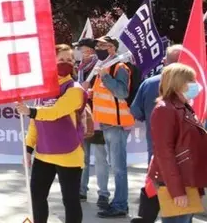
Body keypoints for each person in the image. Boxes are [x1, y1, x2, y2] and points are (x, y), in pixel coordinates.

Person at [16, 44, 87, 223]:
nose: (66, 63)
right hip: (44, 153)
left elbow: (55, 112)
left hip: (69, 154)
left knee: (70, 201)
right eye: (61, 60)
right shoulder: (44, 88)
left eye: (70, 60)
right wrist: (28, 148)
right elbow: (35, 122)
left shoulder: (75, 89)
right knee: (37, 197)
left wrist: (30, 111)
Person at [146, 63, 207, 223]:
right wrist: (177, 190)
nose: (196, 84)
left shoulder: (182, 107)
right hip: (177, 181)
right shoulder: (165, 109)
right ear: (179, 83)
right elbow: (164, 152)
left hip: (187, 178)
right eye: (191, 80)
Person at [130, 44, 183, 223]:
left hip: (158, 155)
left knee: (155, 184)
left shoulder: (150, 84)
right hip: (185, 159)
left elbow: (136, 112)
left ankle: (147, 218)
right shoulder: (198, 85)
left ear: (164, 62)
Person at [91, 36, 133, 218]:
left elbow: (122, 92)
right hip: (107, 125)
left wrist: (106, 77)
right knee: (114, 166)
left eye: (102, 45)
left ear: (112, 48)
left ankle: (121, 205)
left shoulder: (119, 67)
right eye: (97, 45)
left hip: (117, 125)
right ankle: (118, 202)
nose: (98, 48)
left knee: (118, 167)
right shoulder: (103, 67)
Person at [75, 38, 110, 206]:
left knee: (101, 157)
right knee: (83, 157)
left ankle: (103, 193)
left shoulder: (101, 67)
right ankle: (82, 190)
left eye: (82, 49)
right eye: (80, 50)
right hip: (83, 117)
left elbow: (109, 90)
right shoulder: (80, 68)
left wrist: (91, 91)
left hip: (98, 117)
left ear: (90, 50)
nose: (81, 53)